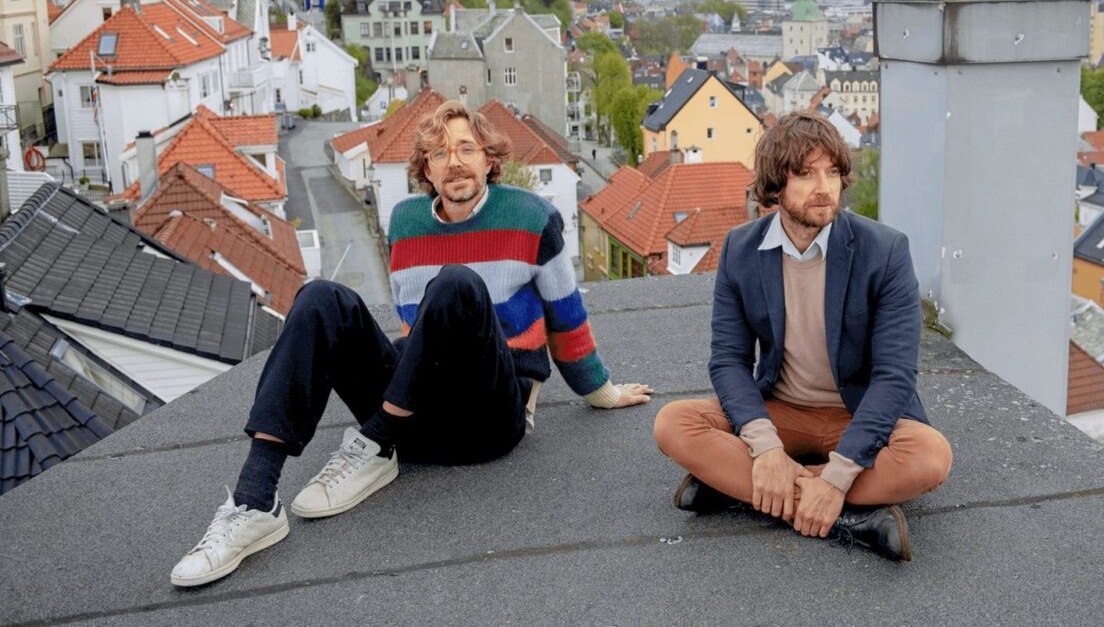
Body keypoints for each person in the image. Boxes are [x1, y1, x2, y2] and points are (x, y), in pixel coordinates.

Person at [171, 100, 652, 587]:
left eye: (467, 148)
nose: (455, 162)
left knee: (456, 284)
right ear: (426, 169)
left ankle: (374, 443)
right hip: (413, 414)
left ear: (489, 158)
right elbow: (413, 330)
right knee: (320, 297)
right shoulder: (405, 221)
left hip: (489, 417)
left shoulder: (533, 217)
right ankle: (255, 501)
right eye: (440, 154)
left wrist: (601, 391)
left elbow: (566, 320)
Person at [652, 111, 951, 561]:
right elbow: (729, 360)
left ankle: (747, 489)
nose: (824, 187)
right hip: (782, 411)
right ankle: (851, 519)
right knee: (674, 423)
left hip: (859, 414)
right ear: (775, 185)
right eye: (806, 173)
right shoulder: (740, 248)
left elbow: (894, 376)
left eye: (832, 172)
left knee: (930, 456)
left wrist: (835, 476)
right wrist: (767, 449)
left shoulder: (884, 251)